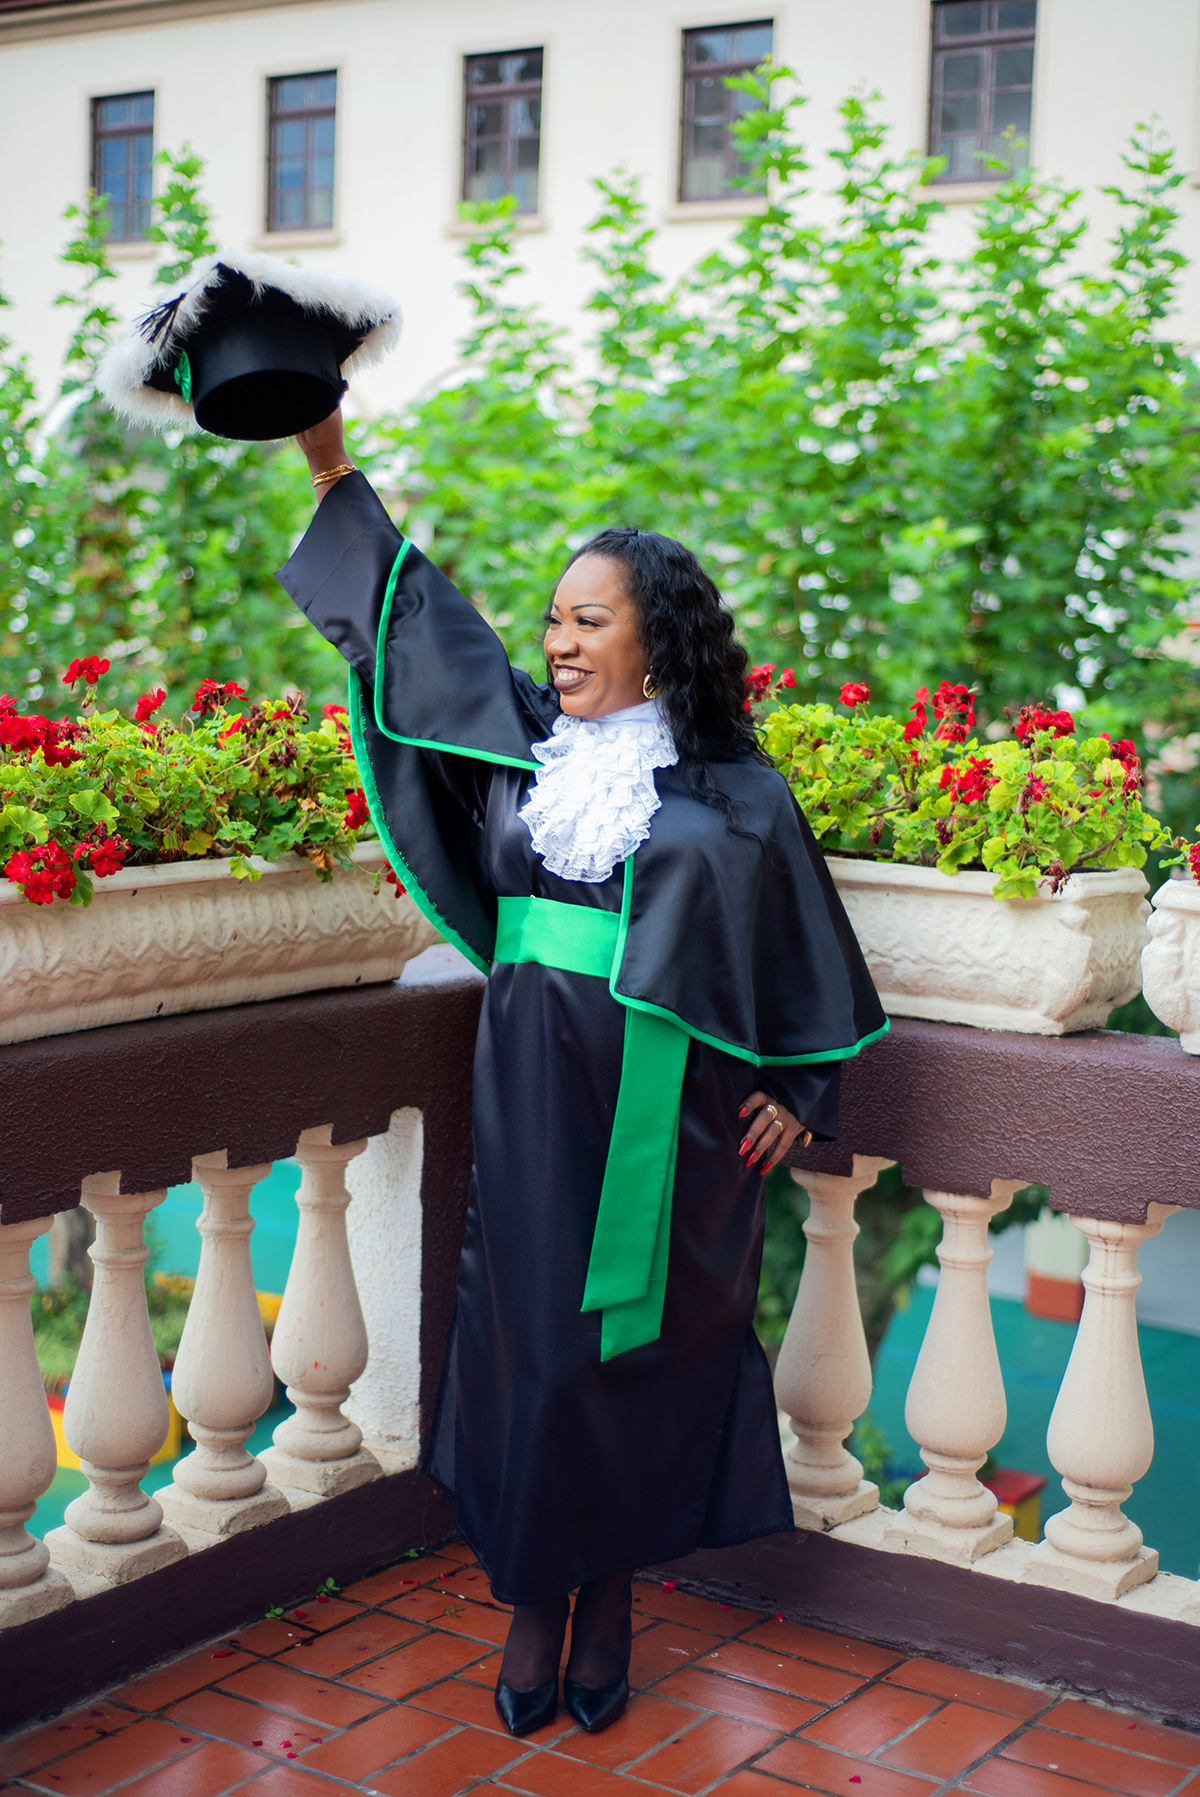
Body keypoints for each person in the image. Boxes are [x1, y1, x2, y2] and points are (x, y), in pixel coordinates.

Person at [279, 409, 887, 1739]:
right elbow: (418, 634)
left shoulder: (736, 794)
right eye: (551, 619)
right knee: (537, 1353)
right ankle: (535, 1603)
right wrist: (329, 461)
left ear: (654, 636)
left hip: (679, 1127)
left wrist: (805, 1090)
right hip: (536, 1105)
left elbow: (804, 956)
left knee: (651, 1351)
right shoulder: (525, 759)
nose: (558, 642)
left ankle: (607, 1598)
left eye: (588, 620)